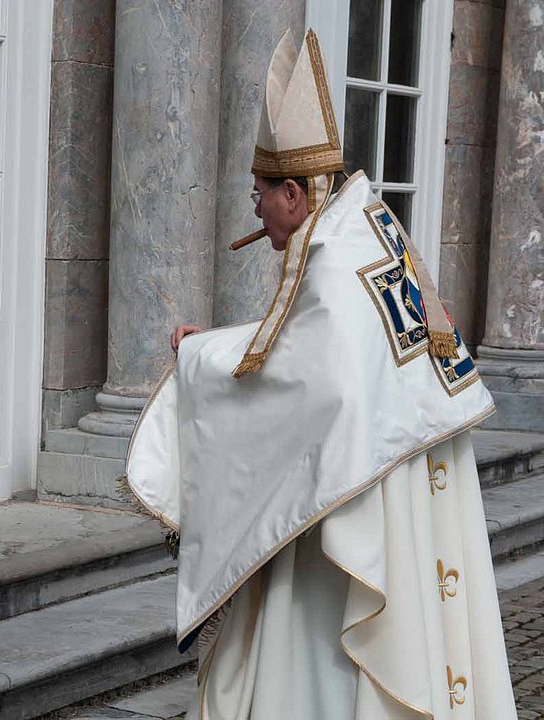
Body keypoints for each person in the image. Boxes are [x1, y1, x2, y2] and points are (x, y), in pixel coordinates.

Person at [124, 29, 516, 719]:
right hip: (396, 465)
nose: (253, 207)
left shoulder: (332, 259)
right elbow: (310, 344)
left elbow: (310, 383)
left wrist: (195, 362)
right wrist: (215, 343)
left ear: (296, 194)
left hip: (363, 490)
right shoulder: (362, 225)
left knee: (326, 670)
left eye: (258, 193)